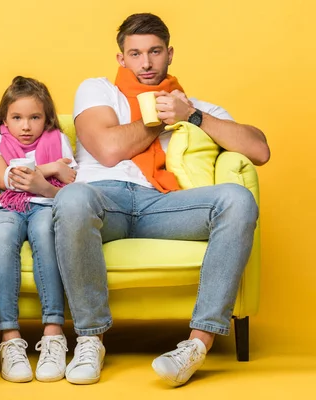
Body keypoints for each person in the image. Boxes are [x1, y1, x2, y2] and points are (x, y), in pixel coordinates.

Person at [53, 13, 270, 386]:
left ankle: (196, 345)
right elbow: (107, 150)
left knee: (237, 198)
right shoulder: (98, 90)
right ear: (121, 59)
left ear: (170, 53)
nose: (146, 63)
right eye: (135, 54)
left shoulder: (191, 106)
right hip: (105, 198)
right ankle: (90, 339)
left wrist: (194, 116)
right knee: (71, 199)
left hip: (164, 204)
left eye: (154, 52)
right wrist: (160, 118)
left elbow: (259, 149)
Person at [0, 76, 77, 383]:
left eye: (34, 118)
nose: (26, 127)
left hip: (46, 204)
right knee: (2, 239)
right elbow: (5, 178)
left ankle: (53, 332)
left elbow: (72, 179)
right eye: (17, 118)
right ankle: (10, 337)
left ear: (46, 118)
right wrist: (50, 168)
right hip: (8, 205)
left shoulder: (58, 139)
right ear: (4, 119)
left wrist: (48, 174)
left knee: (46, 238)